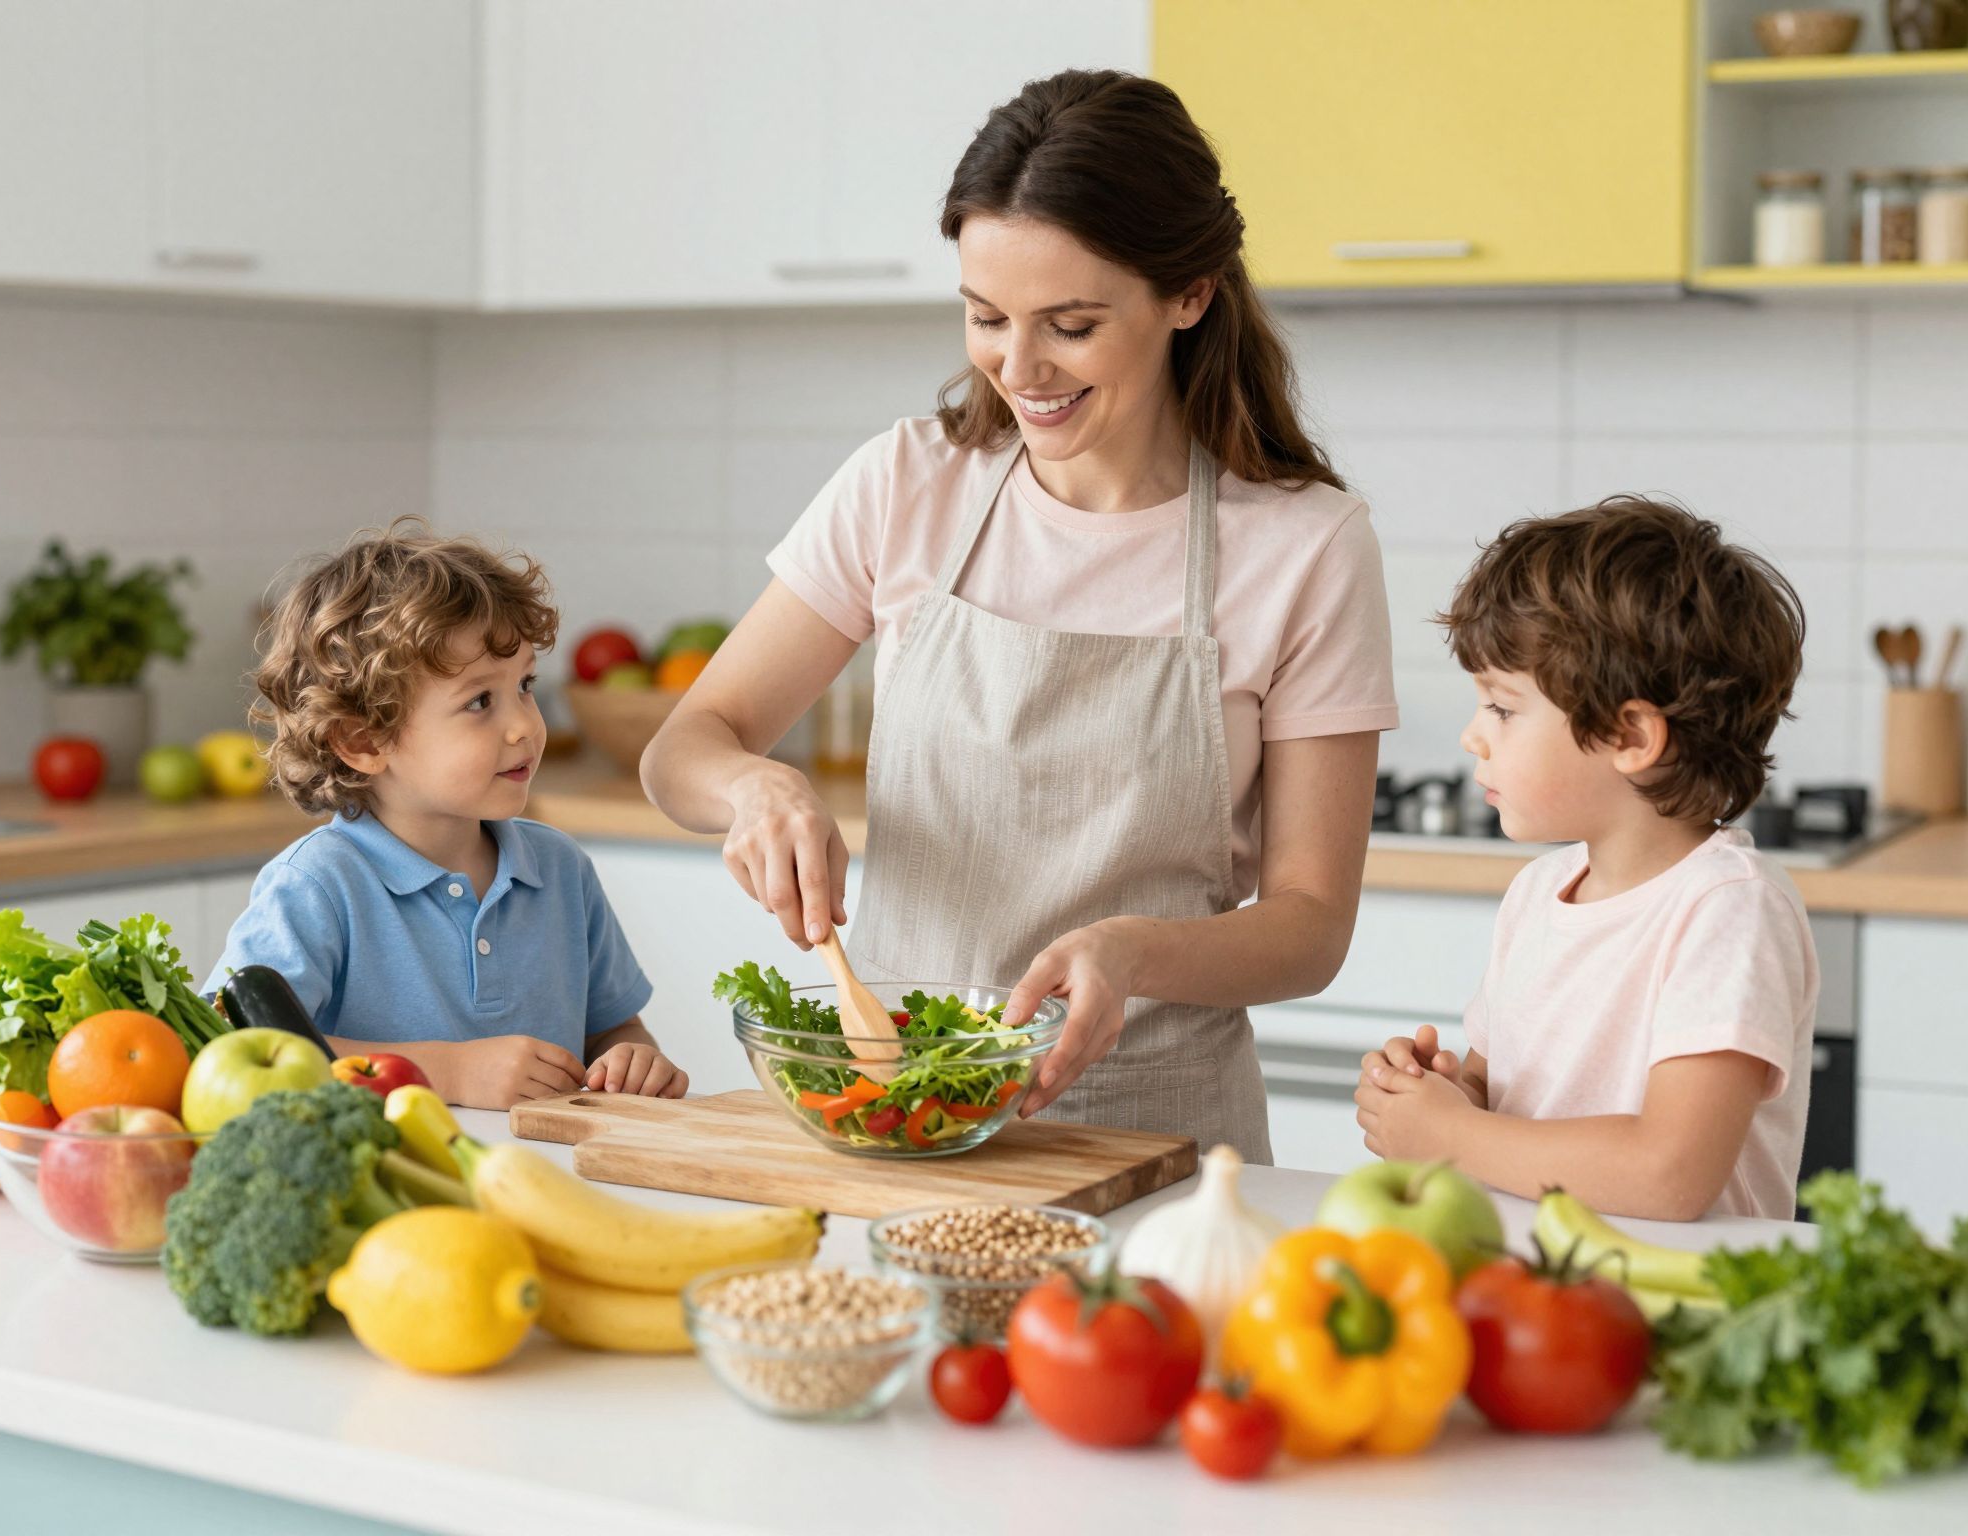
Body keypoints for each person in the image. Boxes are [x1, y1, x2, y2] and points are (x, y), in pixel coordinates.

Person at [639, 71, 1398, 1162]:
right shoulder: (906, 484)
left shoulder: (1304, 545)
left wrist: (1134, 954)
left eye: (1071, 325)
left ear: (1187, 293)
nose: (1018, 368)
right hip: (903, 1116)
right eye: (984, 317)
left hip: (1157, 1140)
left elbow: (1310, 926)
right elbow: (683, 751)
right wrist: (755, 787)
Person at [1356, 497, 1817, 1219]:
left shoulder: (1727, 908)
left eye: (1503, 709)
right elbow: (1497, 1098)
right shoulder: (1538, 894)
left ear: (1631, 737)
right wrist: (1440, 1096)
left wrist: (1452, 1134)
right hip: (1548, 1295)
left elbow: (1670, 1174)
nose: (1473, 738)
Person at [207, 518, 687, 1110]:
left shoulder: (561, 870)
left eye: (526, 685)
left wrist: (633, 1059)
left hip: (551, 1183)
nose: (525, 725)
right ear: (362, 740)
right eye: (480, 701)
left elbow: (615, 1030)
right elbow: (228, 1045)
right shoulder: (318, 885)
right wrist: (444, 1072)